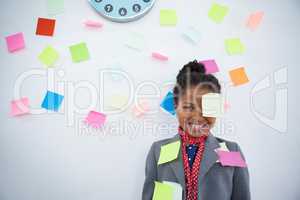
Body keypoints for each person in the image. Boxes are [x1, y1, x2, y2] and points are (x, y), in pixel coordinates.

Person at [142, 60, 250, 200]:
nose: (198, 116)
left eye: (208, 108)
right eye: (188, 107)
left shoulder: (232, 150)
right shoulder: (158, 150)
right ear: (176, 105)